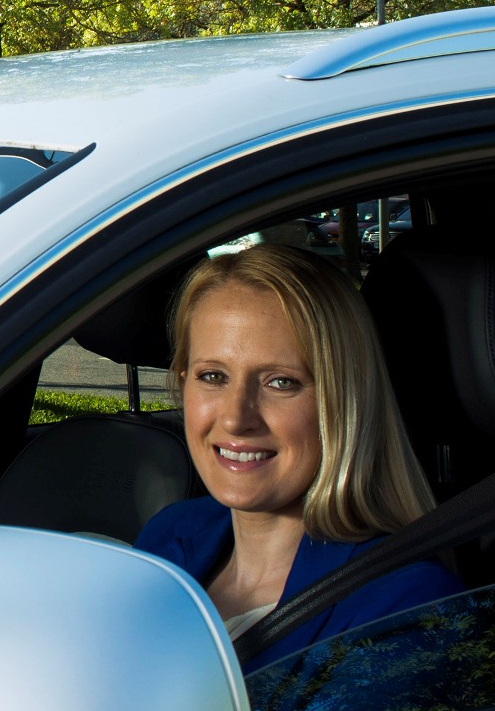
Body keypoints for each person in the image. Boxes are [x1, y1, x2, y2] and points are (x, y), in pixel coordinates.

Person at [134, 243, 462, 671]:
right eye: (213, 376)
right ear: (183, 384)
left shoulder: (405, 608)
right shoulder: (168, 537)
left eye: (280, 382)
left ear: (343, 400)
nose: (235, 418)